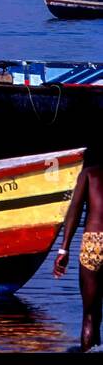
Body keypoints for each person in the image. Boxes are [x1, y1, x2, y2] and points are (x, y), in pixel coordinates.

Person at [55, 148, 103, 351]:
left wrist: (63, 250)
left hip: (95, 242)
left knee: (90, 315)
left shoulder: (90, 174)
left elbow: (73, 211)